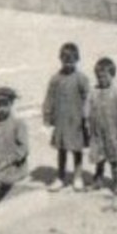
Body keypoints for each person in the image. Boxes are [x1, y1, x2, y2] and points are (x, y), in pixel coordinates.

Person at [42, 41, 90, 192]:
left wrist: (86, 116)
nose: (68, 64)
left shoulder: (81, 78)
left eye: (72, 61)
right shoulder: (55, 79)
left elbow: (88, 98)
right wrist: (47, 116)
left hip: (76, 121)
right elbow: (49, 98)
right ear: (60, 59)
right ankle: (61, 177)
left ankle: (77, 177)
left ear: (77, 60)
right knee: (61, 150)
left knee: (77, 150)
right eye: (65, 60)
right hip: (61, 121)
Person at [88, 56, 117, 196]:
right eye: (99, 77)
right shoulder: (93, 92)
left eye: (105, 77)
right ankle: (98, 178)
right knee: (99, 157)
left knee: (114, 158)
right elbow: (88, 109)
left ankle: (116, 182)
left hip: (112, 132)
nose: (102, 80)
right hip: (97, 132)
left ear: (112, 75)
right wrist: (87, 126)